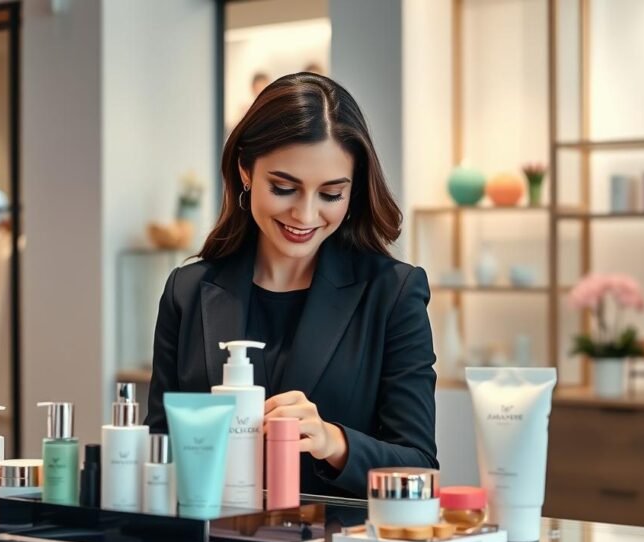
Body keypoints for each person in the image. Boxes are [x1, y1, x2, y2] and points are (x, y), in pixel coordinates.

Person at [145, 73, 438, 498]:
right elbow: (160, 450)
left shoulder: (392, 294)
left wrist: (333, 442)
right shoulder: (187, 293)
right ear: (246, 170)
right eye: (284, 188)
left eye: (331, 195)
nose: (305, 214)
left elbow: (419, 469)